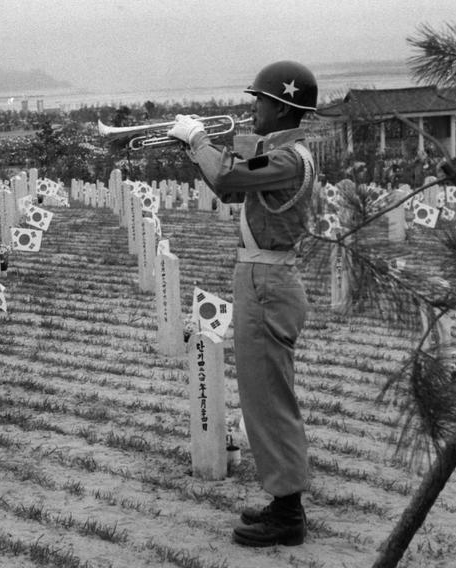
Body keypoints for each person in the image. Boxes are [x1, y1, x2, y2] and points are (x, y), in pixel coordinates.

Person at [167, 60, 318, 548]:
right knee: (263, 396)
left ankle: (287, 511)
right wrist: (200, 151)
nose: (252, 106)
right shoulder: (284, 154)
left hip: (267, 282)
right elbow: (232, 179)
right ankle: (283, 502)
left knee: (268, 399)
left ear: (281, 106)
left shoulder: (289, 159)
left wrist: (198, 142)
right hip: (263, 277)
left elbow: (229, 178)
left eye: (260, 100)